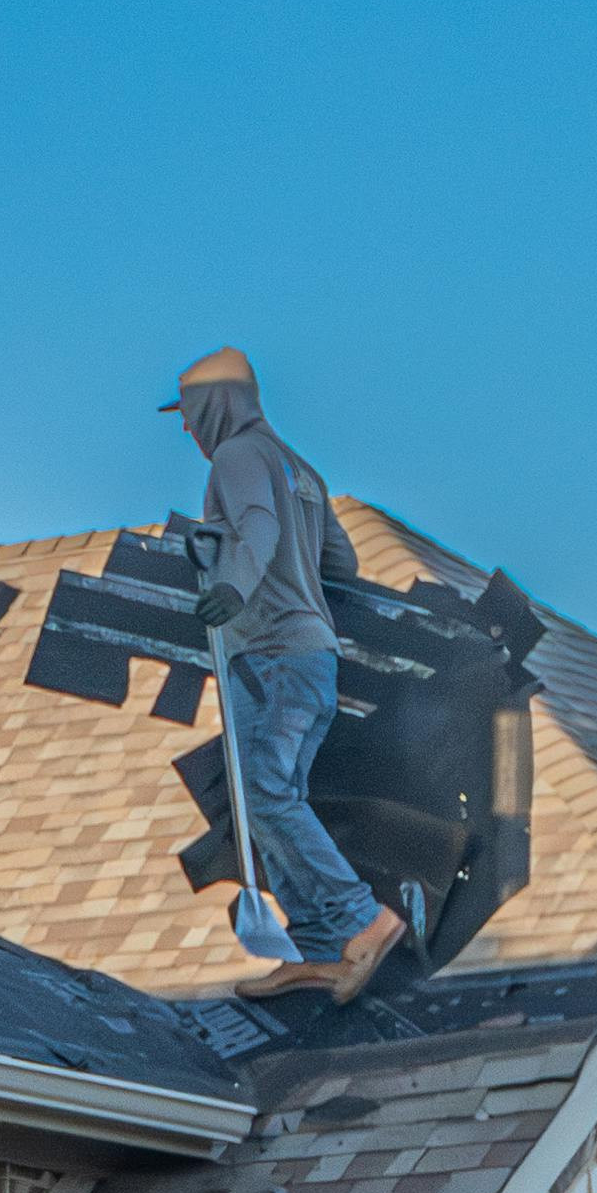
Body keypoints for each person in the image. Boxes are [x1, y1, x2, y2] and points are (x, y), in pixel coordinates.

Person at [171, 344, 403, 1000]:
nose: (186, 426)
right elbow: (343, 565)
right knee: (264, 801)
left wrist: (236, 586)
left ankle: (361, 919)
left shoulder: (237, 456)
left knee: (265, 793)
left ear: (216, 403)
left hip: (272, 655)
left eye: (188, 410)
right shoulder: (300, 469)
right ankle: (321, 947)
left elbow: (258, 523)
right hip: (308, 654)